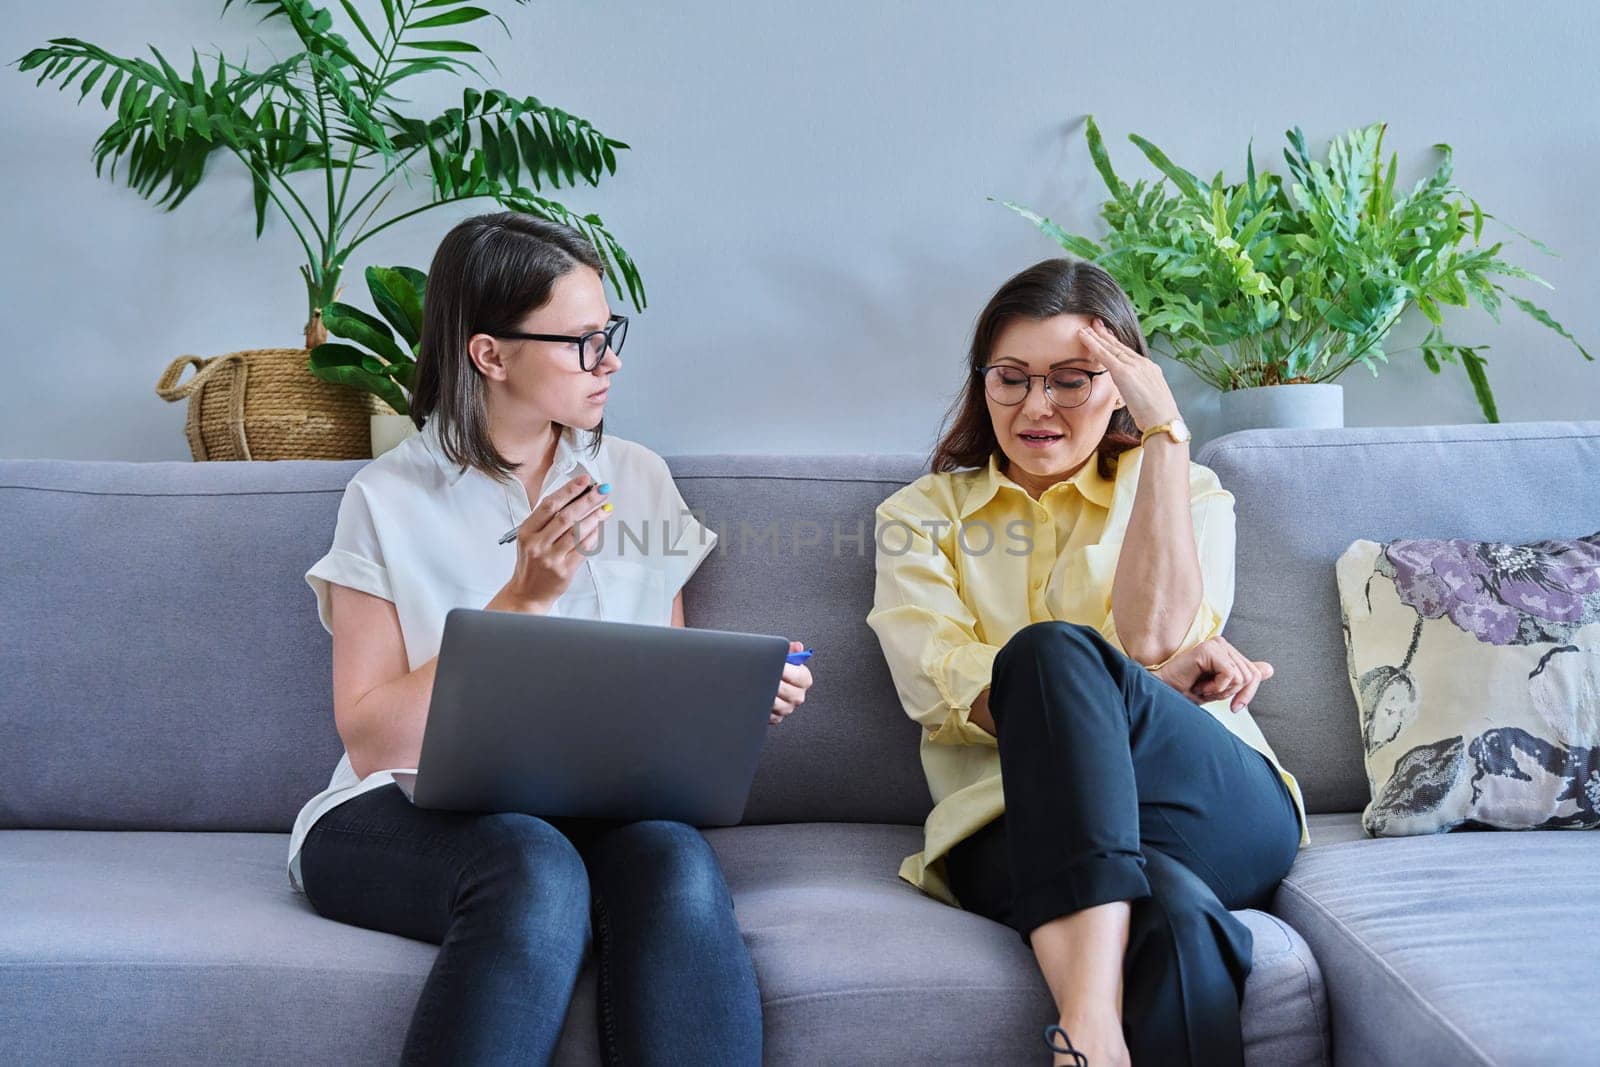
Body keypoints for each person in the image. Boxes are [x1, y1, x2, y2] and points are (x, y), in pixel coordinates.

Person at [287, 212, 814, 1066]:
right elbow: (373, 735)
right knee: (532, 865)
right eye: (579, 341)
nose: (608, 360)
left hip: (598, 813)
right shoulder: (386, 496)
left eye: (610, 333)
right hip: (398, 813)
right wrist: (522, 599)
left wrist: (738, 700)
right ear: (490, 354)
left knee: (675, 864)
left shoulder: (636, 477)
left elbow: (662, 682)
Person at [866, 259, 1308, 1066]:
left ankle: (1086, 1025)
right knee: (1174, 916)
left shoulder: (1188, 489)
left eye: (1073, 380)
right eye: (1012, 378)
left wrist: (1167, 434)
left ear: (1123, 386)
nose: (1036, 405)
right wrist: (1114, 688)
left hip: (1204, 805)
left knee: (1052, 652)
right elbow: (937, 683)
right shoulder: (919, 516)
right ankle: (1094, 1025)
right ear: (982, 383)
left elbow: (1151, 638)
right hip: (1011, 821)